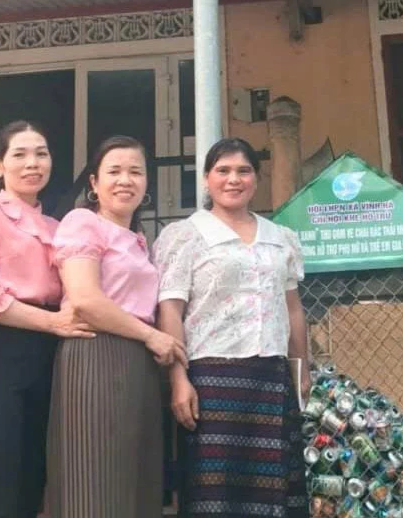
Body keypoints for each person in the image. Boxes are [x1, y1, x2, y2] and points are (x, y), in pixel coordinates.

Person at [155, 137, 310, 518]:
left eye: (243, 171)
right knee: (214, 491)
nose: (233, 179)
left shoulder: (280, 239)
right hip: (210, 377)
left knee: (273, 491)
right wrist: (178, 378)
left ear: (256, 179)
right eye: (222, 170)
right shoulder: (185, 235)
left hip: (270, 378)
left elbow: (292, 310)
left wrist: (301, 370)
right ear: (206, 179)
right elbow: (170, 309)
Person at [0, 120, 95, 518]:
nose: (33, 163)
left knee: (33, 479)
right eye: (20, 154)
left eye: (42, 153)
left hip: (48, 354)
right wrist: (52, 323)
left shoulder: (56, 226)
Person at [47, 135, 187, 518]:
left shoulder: (140, 241)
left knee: (136, 484)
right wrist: (151, 335)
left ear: (146, 184)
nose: (125, 180)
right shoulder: (83, 223)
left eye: (135, 172)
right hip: (95, 354)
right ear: (93, 183)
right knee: (94, 484)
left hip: (138, 364)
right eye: (114, 171)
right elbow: (86, 300)